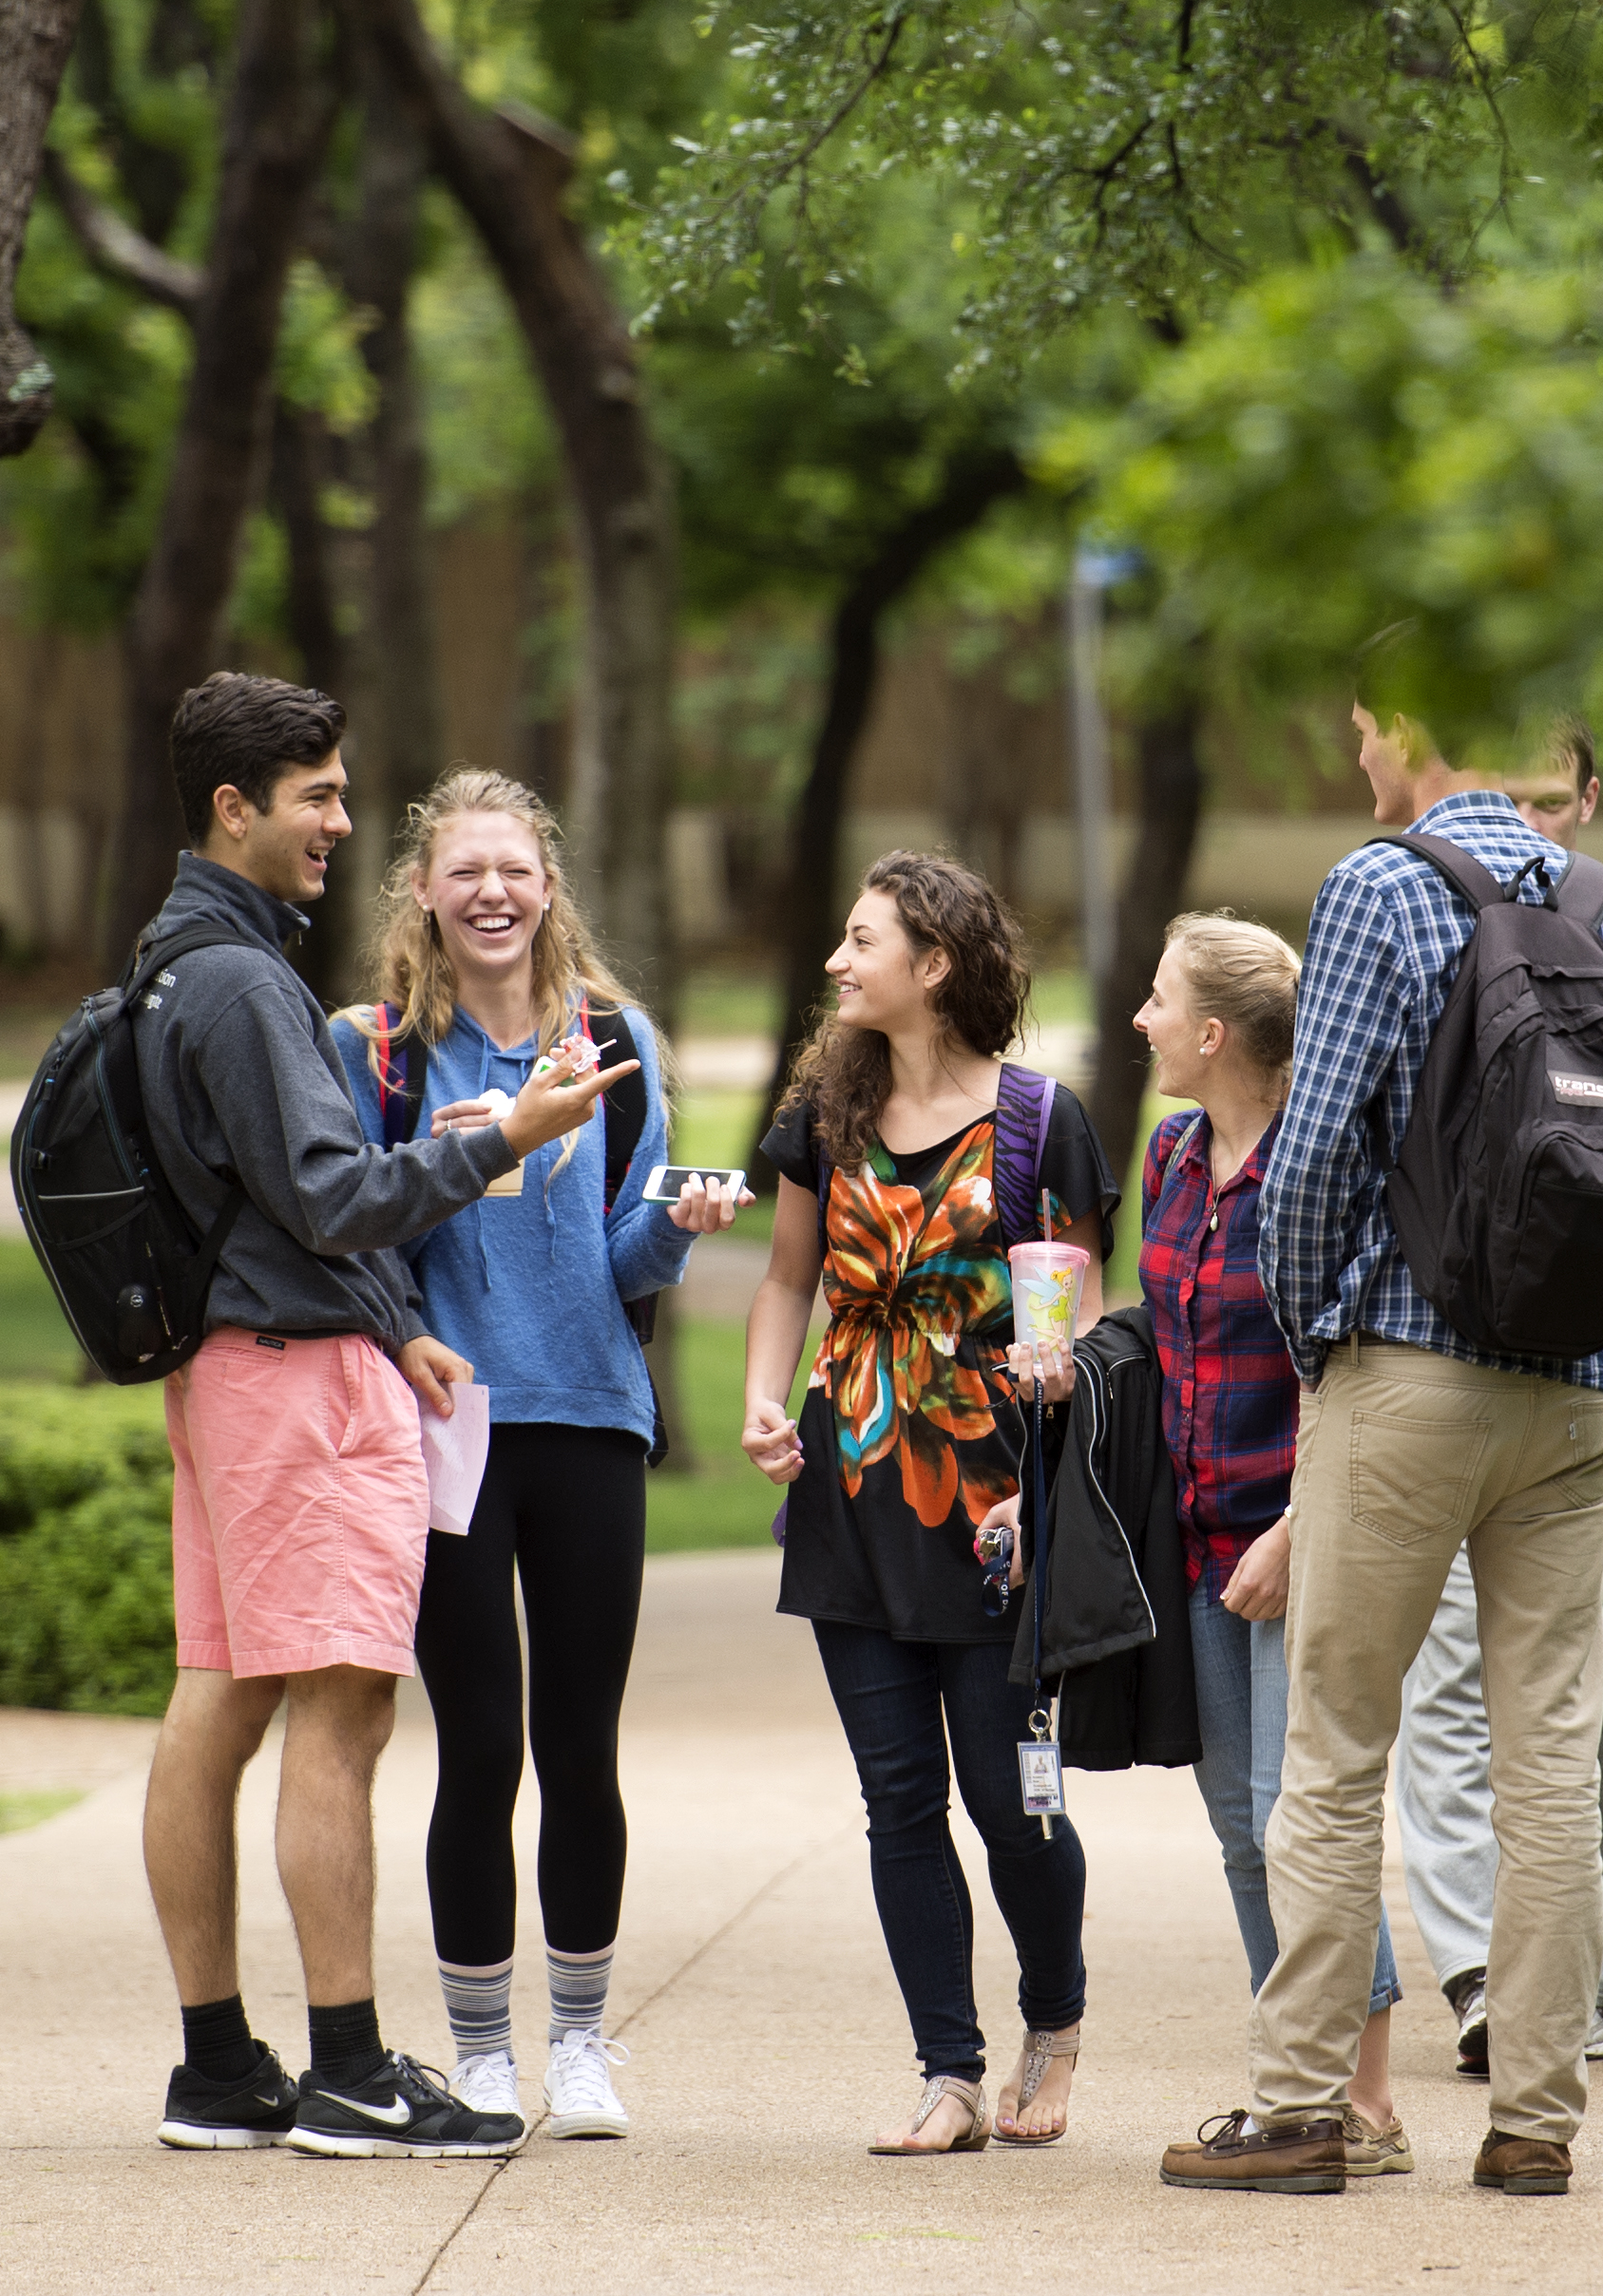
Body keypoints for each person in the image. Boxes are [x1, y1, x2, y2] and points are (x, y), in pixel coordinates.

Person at [1161, 700, 1603, 2200]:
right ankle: (1537, 2123)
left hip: (1407, 1378)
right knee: (1550, 1761)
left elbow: (1308, 1163)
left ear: (1412, 730)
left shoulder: (1380, 886)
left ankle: (1300, 2107)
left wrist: (1321, 1353)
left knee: (1335, 1745)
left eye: (1362, 728)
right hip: (1571, 1399)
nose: (1355, 754)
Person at [132, 673, 633, 2162]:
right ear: (237, 807)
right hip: (292, 1384)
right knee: (342, 1716)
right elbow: (337, 1196)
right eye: (320, 798)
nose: (338, 824)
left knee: (217, 1698)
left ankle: (218, 2068)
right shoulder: (247, 984)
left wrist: (396, 1329)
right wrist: (501, 1140)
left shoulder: (172, 963)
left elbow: (270, 1204)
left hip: (233, 1369)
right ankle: (347, 2067)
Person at [326, 771, 750, 2143]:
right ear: (425, 896)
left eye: (514, 869)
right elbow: (356, 1232)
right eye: (465, 872)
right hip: (451, 1429)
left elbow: (626, 1259)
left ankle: (577, 2045)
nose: (492, 892)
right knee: (480, 1748)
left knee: (580, 1745)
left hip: (590, 1417)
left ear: (548, 886)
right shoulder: (382, 1056)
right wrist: (401, 1347)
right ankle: (478, 2054)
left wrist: (679, 1224)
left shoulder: (616, 1043)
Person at [742, 851, 1113, 2156]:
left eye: (862, 941)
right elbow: (787, 1279)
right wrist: (762, 1397)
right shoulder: (824, 1113)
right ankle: (947, 2075)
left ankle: (1054, 2023)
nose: (837, 963)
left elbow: (1075, 1303)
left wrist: (1055, 1382)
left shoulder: (1036, 1120)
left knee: (1009, 1802)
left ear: (934, 965)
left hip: (987, 1501)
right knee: (896, 1797)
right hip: (850, 1487)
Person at [1395, 721, 1603, 2078]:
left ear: (1585, 802)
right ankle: (1483, 1971)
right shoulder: (1419, 923)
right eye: (1497, 793)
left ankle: (1584, 1973)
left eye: (1543, 796)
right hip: (1446, 1353)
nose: (1518, 819)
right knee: (1448, 1676)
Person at [1128, 913, 1412, 2176]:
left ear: (1210, 1031)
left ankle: (1365, 2103)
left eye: (1154, 1000)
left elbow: (1353, 1362)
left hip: (1304, 1528)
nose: (1136, 1019)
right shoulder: (1173, 1153)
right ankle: (1298, 2076)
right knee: (1245, 1833)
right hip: (1196, 1533)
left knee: (1303, 1820)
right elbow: (1160, 1322)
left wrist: (1302, 1524)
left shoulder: (1323, 1161)